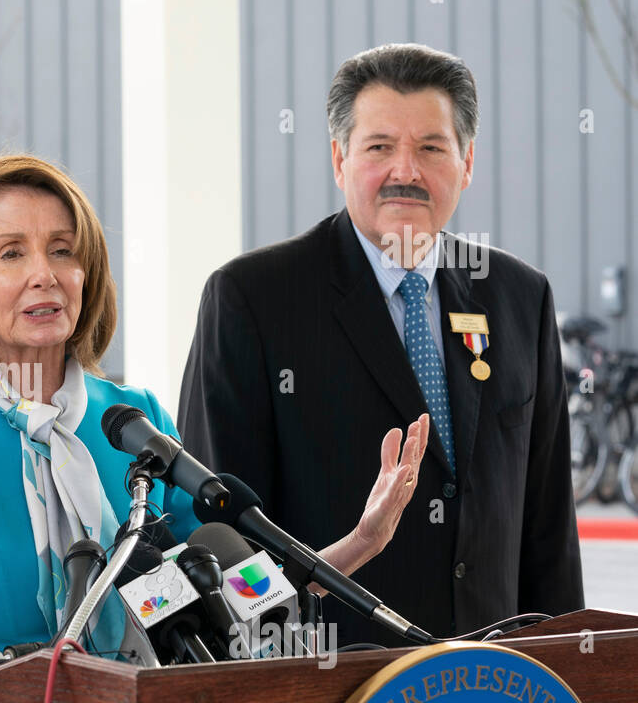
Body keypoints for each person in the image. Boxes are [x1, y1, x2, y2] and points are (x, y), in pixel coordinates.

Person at [0, 154, 429, 694]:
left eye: (63, 250)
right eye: (12, 253)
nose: (46, 273)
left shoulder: (132, 421)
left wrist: (360, 544)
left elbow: (233, 592)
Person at [178, 43, 584, 649]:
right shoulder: (254, 300)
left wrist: (564, 674)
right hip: (328, 693)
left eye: (430, 148)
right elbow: (221, 538)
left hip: (493, 686)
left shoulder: (520, 297)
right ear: (339, 159)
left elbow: (548, 526)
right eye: (379, 147)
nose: (406, 171)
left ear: (467, 162)